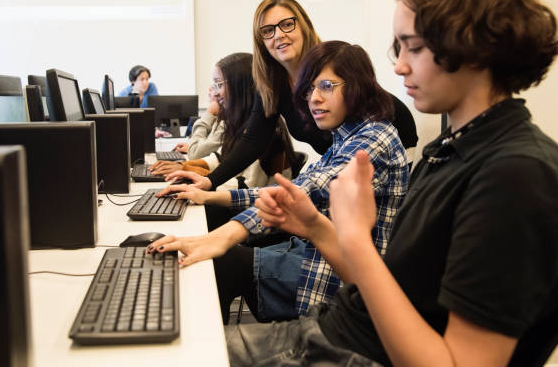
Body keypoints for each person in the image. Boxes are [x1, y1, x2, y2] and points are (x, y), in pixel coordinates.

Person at [222, 0, 558, 366]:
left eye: (413, 47)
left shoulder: (515, 175)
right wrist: (318, 227)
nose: (399, 66)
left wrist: (358, 241)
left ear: (476, 47)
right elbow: (385, 289)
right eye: (398, 49)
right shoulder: (450, 150)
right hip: (337, 329)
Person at [149, 41, 409, 324]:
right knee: (216, 255)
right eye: (309, 89)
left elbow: (303, 192)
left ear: (358, 85)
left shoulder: (371, 141)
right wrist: (210, 196)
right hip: (310, 251)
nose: (314, 99)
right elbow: (291, 188)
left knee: (219, 263)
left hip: (338, 277)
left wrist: (219, 238)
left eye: (326, 86)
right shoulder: (345, 136)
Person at [169, 0, 417, 192]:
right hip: (335, 167)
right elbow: (253, 141)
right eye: (268, 30)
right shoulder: (271, 84)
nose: (279, 35)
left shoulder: (330, 65)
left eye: (287, 24)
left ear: (304, 26)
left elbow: (354, 141)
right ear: (262, 41)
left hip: (392, 138)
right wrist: (211, 181)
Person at [150, 52, 292, 190]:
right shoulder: (238, 121)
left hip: (258, 208)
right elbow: (220, 159)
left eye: (219, 84)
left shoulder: (263, 130)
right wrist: (184, 166)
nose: (216, 93)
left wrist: (192, 173)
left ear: (240, 86)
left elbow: (247, 185)